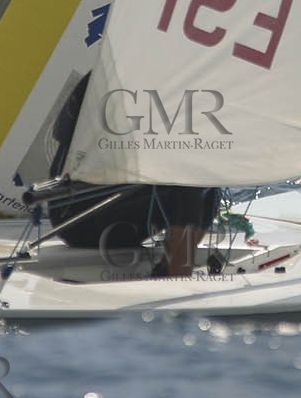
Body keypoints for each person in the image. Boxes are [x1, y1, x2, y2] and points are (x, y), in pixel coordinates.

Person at [36, 73, 217, 277]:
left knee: (209, 174)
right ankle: (178, 271)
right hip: (76, 220)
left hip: (126, 225)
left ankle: (173, 265)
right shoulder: (109, 79)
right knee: (190, 173)